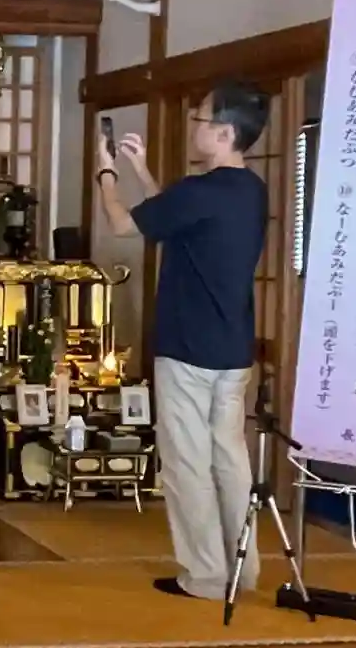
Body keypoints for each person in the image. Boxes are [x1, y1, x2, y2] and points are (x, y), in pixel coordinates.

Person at [94, 82, 269, 601]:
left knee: (188, 462)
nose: (195, 126)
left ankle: (207, 576)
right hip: (232, 349)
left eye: (201, 118)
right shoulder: (250, 190)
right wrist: (142, 170)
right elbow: (172, 217)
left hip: (189, 347)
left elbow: (122, 224)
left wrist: (106, 172)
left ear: (225, 132)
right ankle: (242, 569)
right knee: (229, 461)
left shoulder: (201, 191)